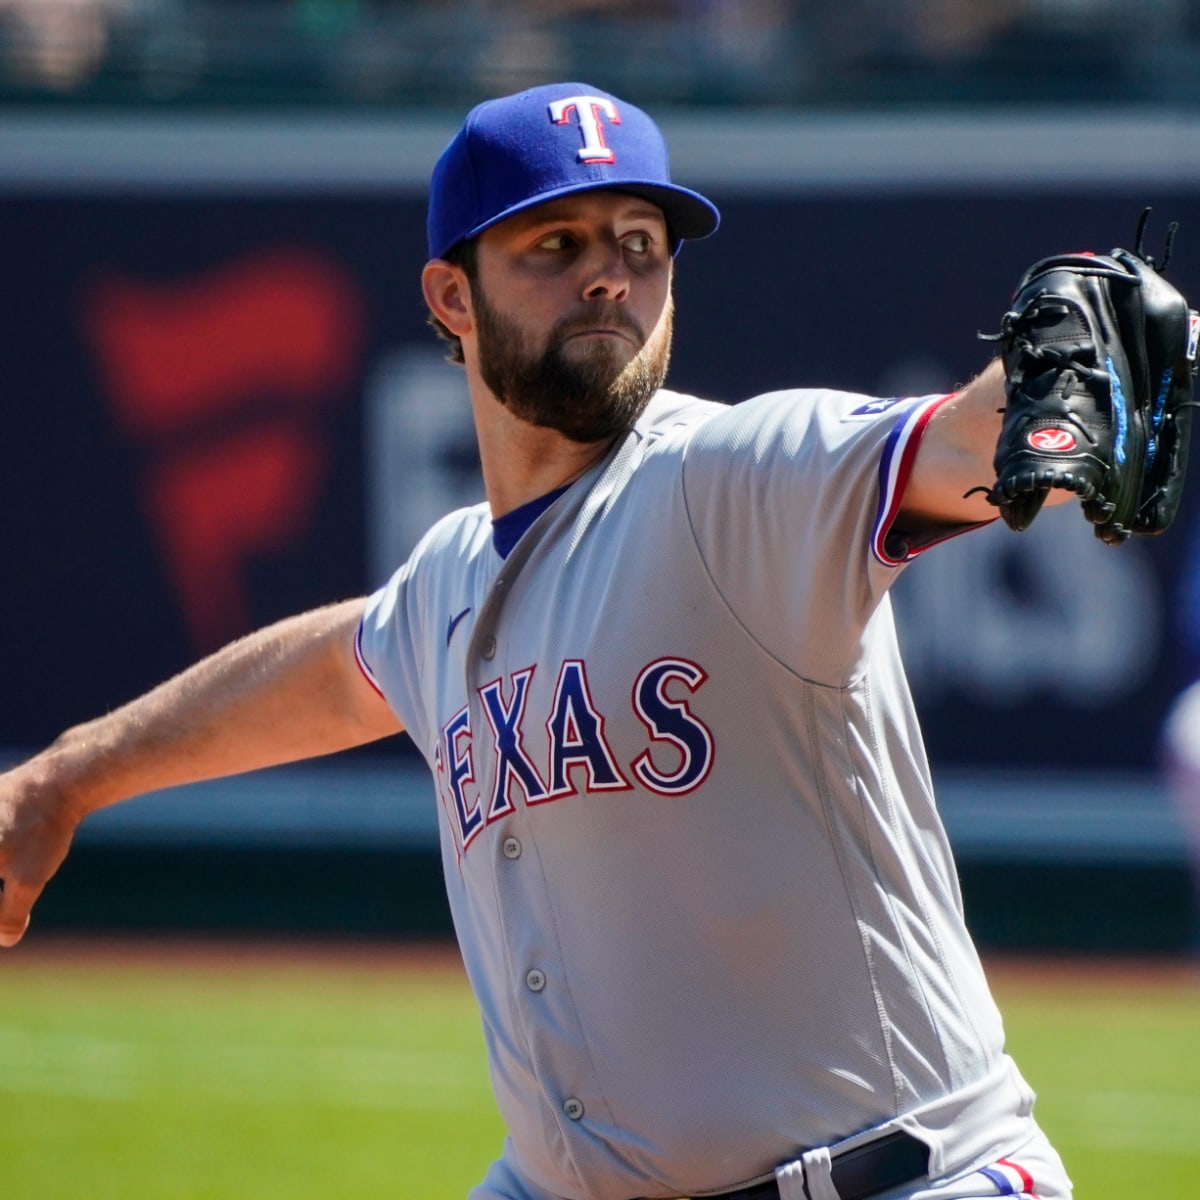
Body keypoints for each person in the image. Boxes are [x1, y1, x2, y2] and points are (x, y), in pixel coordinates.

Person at [0, 82, 1076, 1200]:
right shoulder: (447, 585)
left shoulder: (734, 479)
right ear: (451, 297)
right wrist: (63, 782)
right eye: (554, 243)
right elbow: (326, 671)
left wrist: (1065, 376)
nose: (609, 272)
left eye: (641, 243)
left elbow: (954, 444)